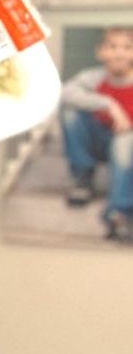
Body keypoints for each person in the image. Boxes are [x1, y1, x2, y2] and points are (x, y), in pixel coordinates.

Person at [59, 27, 133, 243]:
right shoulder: (94, 78)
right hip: (99, 142)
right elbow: (66, 93)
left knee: (124, 142)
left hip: (127, 149)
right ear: (101, 52)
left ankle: (119, 213)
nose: (119, 53)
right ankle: (82, 178)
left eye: (127, 47)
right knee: (71, 112)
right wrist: (109, 104)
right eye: (112, 47)